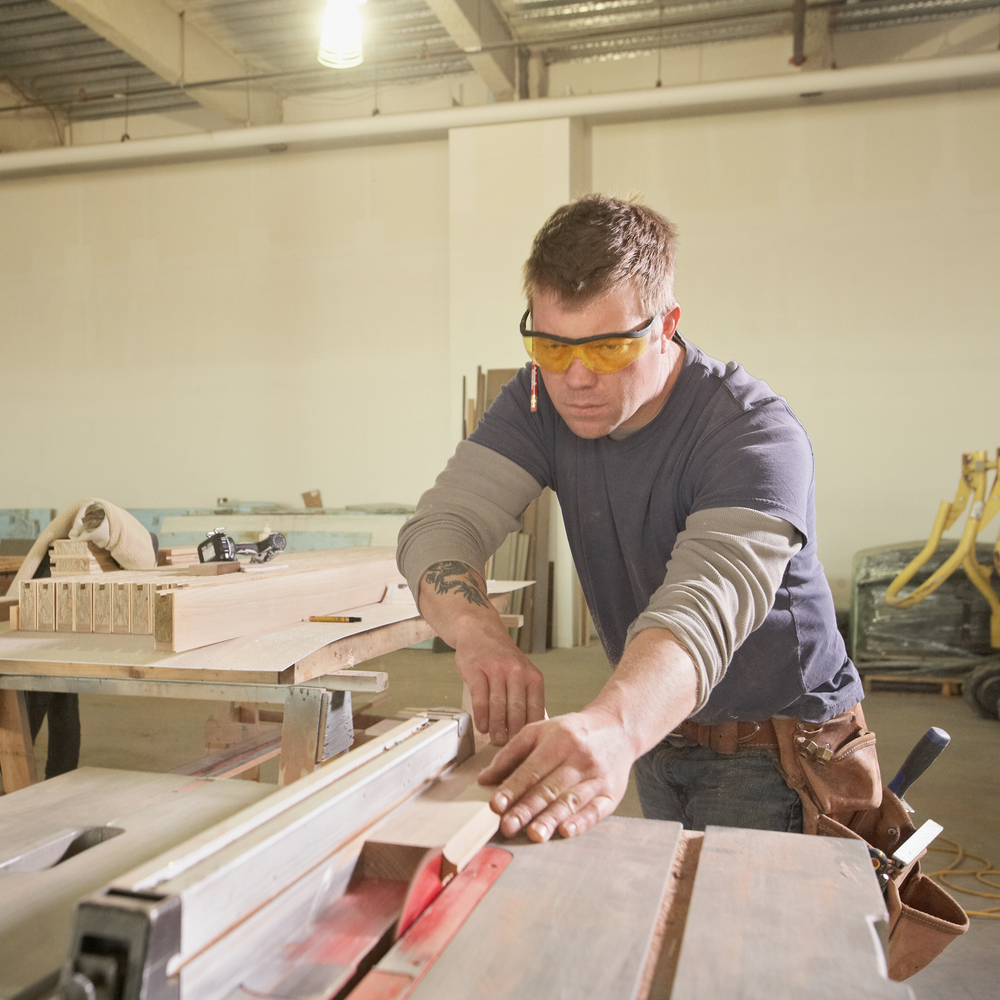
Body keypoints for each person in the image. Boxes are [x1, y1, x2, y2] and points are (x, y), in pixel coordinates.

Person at [396, 195, 867, 845]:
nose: (577, 378)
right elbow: (442, 524)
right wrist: (477, 631)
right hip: (656, 731)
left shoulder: (752, 434)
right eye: (552, 347)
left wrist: (615, 727)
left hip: (780, 751)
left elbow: (702, 607)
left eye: (611, 347)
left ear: (667, 324)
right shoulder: (538, 400)